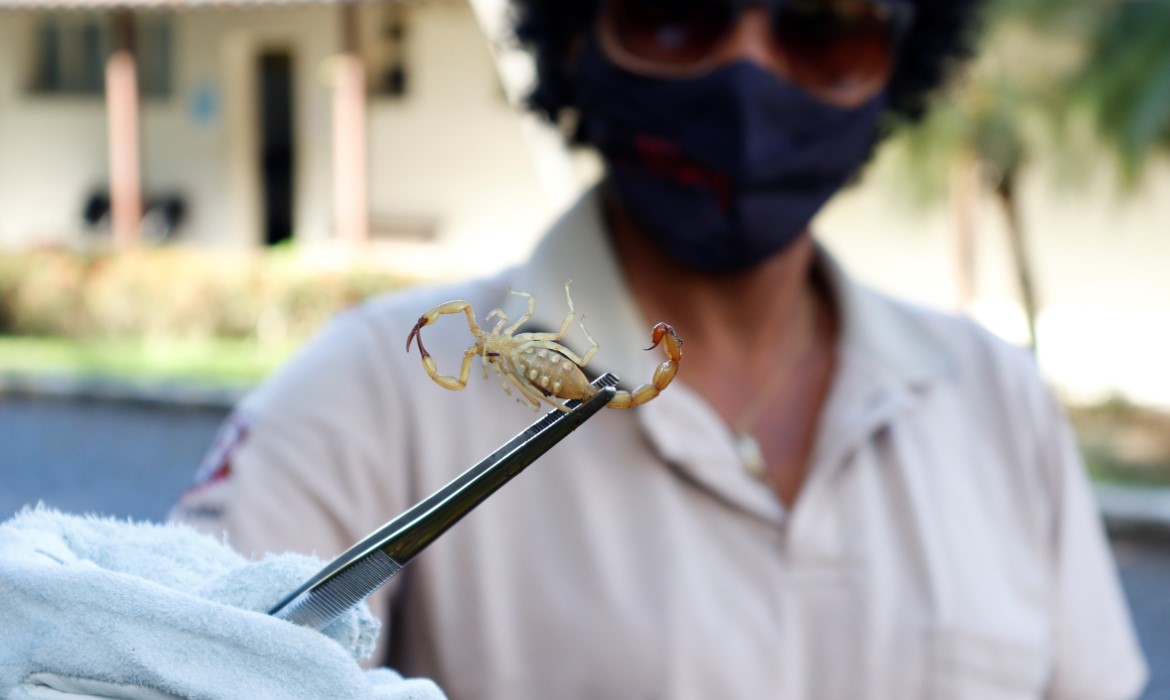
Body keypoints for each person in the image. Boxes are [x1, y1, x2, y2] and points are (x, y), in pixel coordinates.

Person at [172, 0, 1148, 697]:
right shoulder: (367, 389)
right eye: (678, 13)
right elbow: (170, 655)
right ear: (578, 34)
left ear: (901, 52)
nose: (749, 69)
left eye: (823, 24)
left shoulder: (1000, 401)